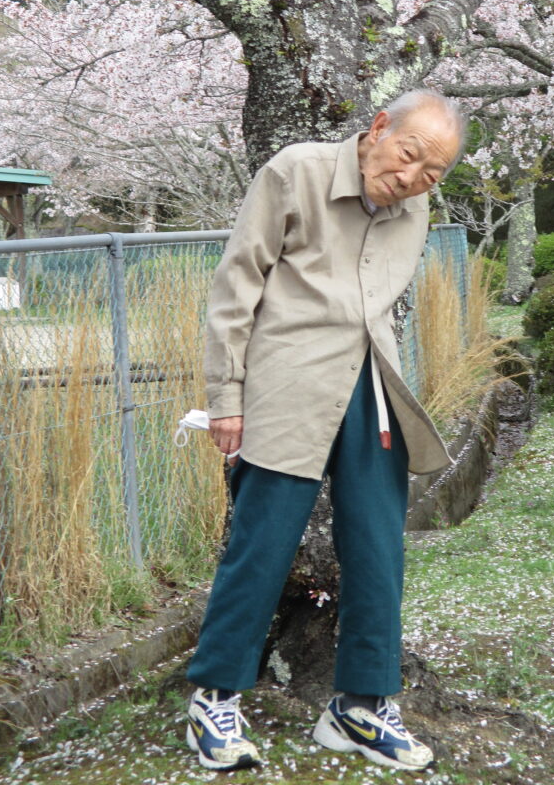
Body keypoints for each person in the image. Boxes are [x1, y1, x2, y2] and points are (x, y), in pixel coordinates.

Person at [186, 89, 465, 773]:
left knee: (377, 548)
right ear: (379, 128)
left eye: (431, 174)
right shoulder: (296, 171)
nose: (412, 179)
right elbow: (236, 284)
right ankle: (214, 699)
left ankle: (360, 707)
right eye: (408, 156)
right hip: (288, 383)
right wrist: (226, 397)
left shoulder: (415, 207)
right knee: (262, 543)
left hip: (372, 387)